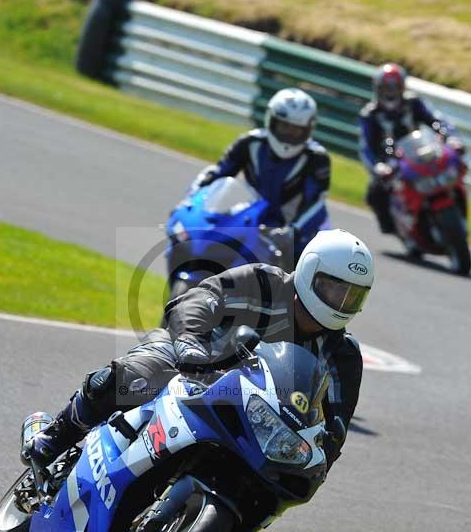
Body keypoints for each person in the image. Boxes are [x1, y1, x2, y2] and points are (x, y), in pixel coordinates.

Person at [23, 230, 374, 474]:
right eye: (333, 288)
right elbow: (199, 300)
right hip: (193, 364)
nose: (340, 302)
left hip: (255, 418)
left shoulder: (343, 355)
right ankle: (54, 436)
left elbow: (336, 424)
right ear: (311, 272)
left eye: (352, 296)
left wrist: (320, 458)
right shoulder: (265, 284)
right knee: (132, 377)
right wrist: (191, 343)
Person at [187, 87, 330, 260]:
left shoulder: (316, 158)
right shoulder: (249, 143)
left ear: (308, 130)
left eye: (296, 130)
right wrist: (191, 201)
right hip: (251, 219)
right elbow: (217, 174)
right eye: (284, 126)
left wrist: (291, 232)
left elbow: (315, 203)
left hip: (297, 230)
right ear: (272, 120)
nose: (289, 134)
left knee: (306, 268)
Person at [359, 62, 463, 233]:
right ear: (378, 89)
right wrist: (378, 166)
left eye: (394, 87)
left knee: (452, 163)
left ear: (402, 87)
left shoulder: (413, 102)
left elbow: (436, 121)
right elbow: (367, 147)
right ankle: (391, 226)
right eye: (386, 88)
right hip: (391, 159)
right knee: (375, 192)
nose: (390, 92)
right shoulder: (369, 114)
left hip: (420, 149)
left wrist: (451, 137)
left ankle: (456, 206)